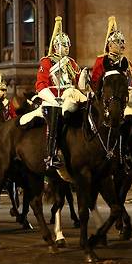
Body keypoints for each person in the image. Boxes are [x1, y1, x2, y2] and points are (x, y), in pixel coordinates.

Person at [35, 16, 86, 170]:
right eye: (63, 45)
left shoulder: (72, 62)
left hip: (71, 94)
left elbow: (79, 85)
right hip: (54, 98)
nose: (66, 48)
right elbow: (40, 84)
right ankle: (51, 155)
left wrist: (83, 76)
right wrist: (53, 99)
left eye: (68, 45)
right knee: (55, 115)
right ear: (56, 46)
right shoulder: (47, 61)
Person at [90, 16, 132, 94]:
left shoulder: (126, 62)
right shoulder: (101, 60)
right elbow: (95, 82)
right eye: (118, 42)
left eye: (122, 42)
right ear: (110, 45)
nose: (122, 45)